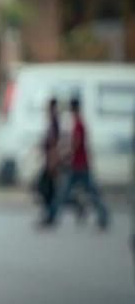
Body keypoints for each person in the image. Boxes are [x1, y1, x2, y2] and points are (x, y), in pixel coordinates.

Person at [58, 97, 110, 229]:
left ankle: (52, 216)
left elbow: (77, 143)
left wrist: (66, 155)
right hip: (80, 163)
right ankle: (102, 215)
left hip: (79, 164)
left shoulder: (78, 124)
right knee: (90, 192)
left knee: (64, 192)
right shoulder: (79, 122)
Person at [35, 98, 62, 227]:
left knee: (46, 188)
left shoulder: (55, 123)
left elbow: (53, 144)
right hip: (49, 160)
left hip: (51, 161)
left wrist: (52, 162)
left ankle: (50, 215)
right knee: (50, 190)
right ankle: (49, 215)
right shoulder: (52, 122)